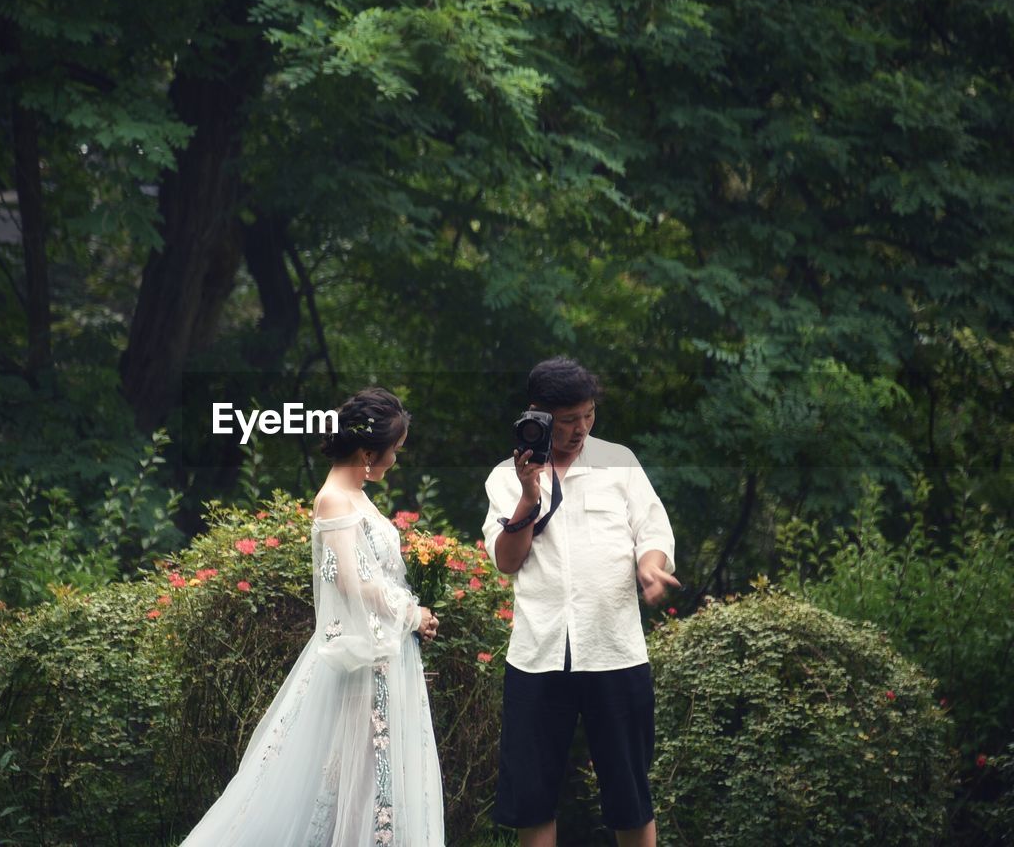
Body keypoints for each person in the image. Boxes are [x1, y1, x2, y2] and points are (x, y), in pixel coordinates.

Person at [182, 387, 445, 847]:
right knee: (357, 776)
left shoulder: (356, 495)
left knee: (373, 774)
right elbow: (352, 582)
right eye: (393, 453)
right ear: (367, 453)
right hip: (362, 659)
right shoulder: (335, 500)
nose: (395, 462)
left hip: (383, 652)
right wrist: (412, 612)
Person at [482, 358, 679, 847]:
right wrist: (528, 498)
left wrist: (651, 566)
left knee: (630, 796)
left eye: (588, 416)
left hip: (615, 650)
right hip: (537, 653)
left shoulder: (619, 461)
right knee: (533, 799)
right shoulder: (506, 477)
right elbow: (507, 562)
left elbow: (652, 533)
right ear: (539, 415)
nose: (580, 430)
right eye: (568, 420)